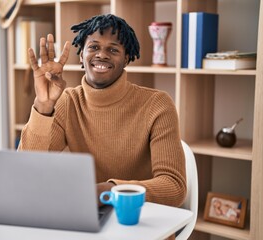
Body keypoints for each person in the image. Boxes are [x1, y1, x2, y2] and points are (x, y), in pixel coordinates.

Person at [18, 14, 186, 209]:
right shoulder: (68, 102)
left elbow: (174, 187)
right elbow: (27, 169)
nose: (102, 55)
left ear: (127, 59)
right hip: (88, 215)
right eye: (94, 47)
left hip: (141, 220)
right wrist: (44, 104)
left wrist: (109, 190)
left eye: (113, 49)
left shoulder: (157, 104)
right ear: (81, 55)